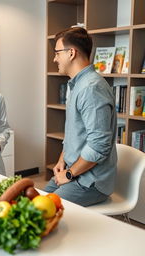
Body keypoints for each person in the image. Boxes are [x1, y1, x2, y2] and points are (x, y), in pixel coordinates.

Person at [44, 27, 117, 207]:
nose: (54, 59)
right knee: (33, 200)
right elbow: (74, 134)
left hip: (91, 182)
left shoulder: (91, 88)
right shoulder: (77, 85)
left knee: (41, 210)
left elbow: (98, 145)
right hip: (74, 171)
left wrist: (69, 174)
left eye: (57, 53)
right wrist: (62, 161)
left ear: (71, 53)